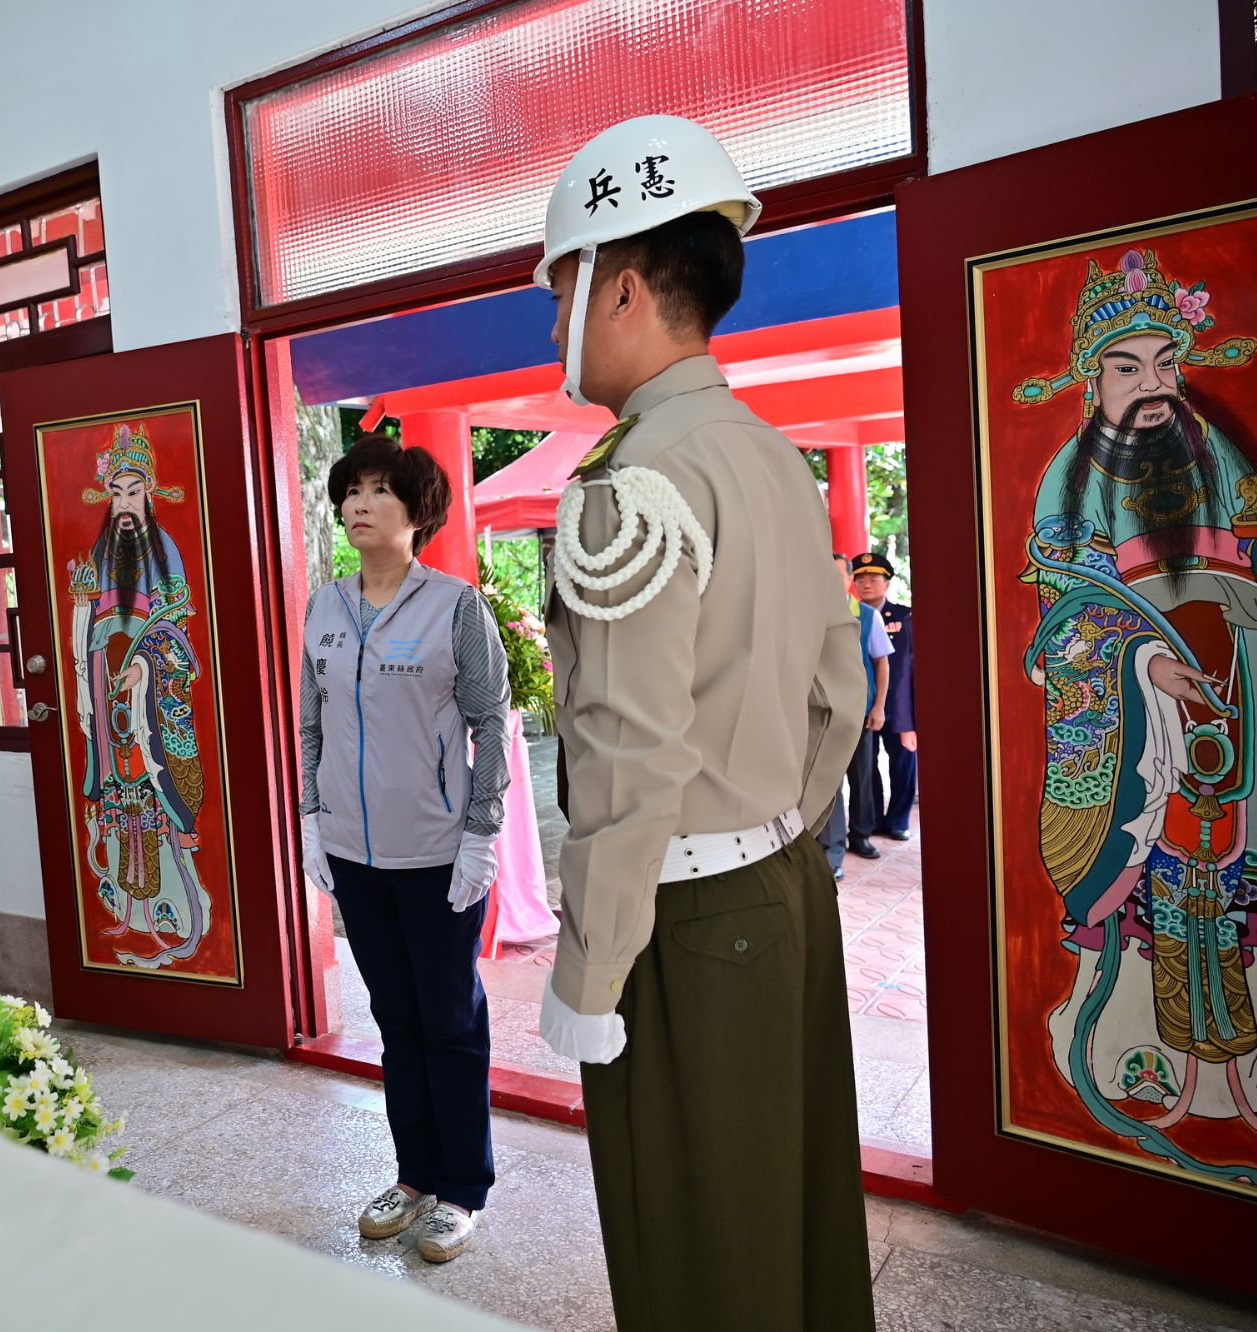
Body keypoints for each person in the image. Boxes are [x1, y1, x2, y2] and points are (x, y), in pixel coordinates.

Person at [532, 115, 873, 1329]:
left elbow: (629, 759)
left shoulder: (635, 483)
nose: (550, 313)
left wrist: (588, 968)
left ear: (620, 286)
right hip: (780, 887)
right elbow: (846, 693)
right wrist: (769, 814)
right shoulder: (770, 457)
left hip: (680, 921)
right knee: (794, 1224)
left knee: (691, 1252)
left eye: (559, 281)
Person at [1015, 248, 1257, 1175]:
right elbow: (1065, 622)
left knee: (1237, 867)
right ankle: (1163, 1058)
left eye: (1165, 362)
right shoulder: (1066, 483)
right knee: (1160, 873)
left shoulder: (1220, 458)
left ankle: (1233, 1061)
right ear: (1094, 377)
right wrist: (1147, 665)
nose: (1152, 383)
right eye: (1128, 367)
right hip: (1141, 720)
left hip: (1237, 689)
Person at [299, 437, 510, 1265]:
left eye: (379, 491)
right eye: (350, 490)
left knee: (448, 1019)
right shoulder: (323, 605)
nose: (358, 504)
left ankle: (462, 1188)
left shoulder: (455, 606)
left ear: (418, 510)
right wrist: (312, 818)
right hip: (353, 853)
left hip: (436, 851)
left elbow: (491, 722)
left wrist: (481, 832)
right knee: (395, 1020)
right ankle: (415, 1173)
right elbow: (312, 720)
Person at [69, 424, 212, 968]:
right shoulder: (104, 551)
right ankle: (127, 908)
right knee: (115, 793)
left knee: (151, 796)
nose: (124, 503)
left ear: (149, 491)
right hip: (108, 692)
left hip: (149, 696)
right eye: (116, 492)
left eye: (133, 490)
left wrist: (146, 668)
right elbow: (93, 624)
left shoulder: (164, 550)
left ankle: (163, 913)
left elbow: (179, 624)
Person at [851, 552, 916, 841]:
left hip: (898, 704)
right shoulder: (850, 617)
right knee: (867, 765)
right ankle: (873, 817)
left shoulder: (904, 617)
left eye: (873, 579)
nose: (866, 584)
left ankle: (899, 820)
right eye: (860, 579)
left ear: (887, 583)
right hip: (865, 702)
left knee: (901, 761)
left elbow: (910, 667)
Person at [843, 552, 894, 862]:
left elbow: (882, 663)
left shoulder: (867, 616)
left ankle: (860, 834)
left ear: (846, 579)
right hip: (825, 712)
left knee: (862, 775)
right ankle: (827, 838)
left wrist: (879, 707)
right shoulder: (814, 613)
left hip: (861, 711)